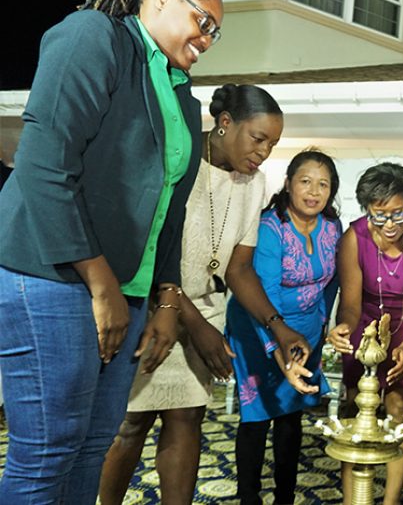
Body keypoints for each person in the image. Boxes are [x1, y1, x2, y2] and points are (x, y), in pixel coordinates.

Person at [0, 0, 223, 502]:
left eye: (216, 33)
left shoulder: (178, 89)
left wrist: (165, 298)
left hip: (130, 292)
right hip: (53, 277)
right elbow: (43, 166)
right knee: (47, 453)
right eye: (204, 22)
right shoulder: (93, 36)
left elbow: (169, 210)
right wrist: (103, 286)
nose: (208, 40)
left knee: (93, 447)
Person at [98, 84, 310, 504]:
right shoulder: (177, 162)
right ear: (225, 124)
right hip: (152, 305)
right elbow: (150, 249)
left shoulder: (255, 183)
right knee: (130, 423)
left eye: (273, 143)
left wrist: (278, 328)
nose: (264, 152)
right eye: (259, 138)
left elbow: (238, 268)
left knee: (187, 416)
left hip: (205, 308)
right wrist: (192, 323)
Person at [225, 149, 342, 505]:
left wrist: (321, 327)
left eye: (323, 184)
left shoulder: (332, 228)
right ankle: (249, 497)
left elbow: (331, 283)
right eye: (305, 181)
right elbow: (265, 292)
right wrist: (279, 352)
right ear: (289, 184)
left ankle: (285, 497)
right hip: (258, 327)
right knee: (258, 414)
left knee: (291, 414)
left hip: (306, 334)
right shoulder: (269, 228)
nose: (314, 191)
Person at [327, 162, 403, 505]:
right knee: (355, 409)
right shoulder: (354, 237)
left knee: (401, 408)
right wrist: (344, 327)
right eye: (378, 215)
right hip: (367, 324)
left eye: (398, 214)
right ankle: (352, 498)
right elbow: (351, 304)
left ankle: (389, 500)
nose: (389, 224)